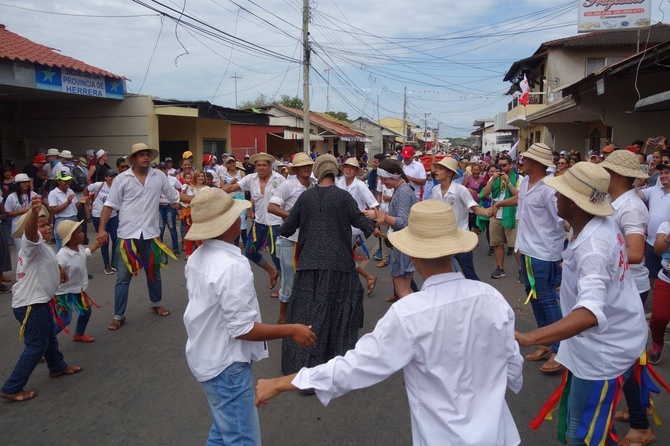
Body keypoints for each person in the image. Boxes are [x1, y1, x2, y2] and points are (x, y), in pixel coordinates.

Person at [255, 199, 524, 445]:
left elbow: (357, 366)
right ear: (454, 251)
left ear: (411, 256)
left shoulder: (411, 312)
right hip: (499, 433)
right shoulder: (490, 296)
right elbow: (512, 366)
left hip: (444, 436)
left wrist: (282, 382)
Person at [515, 162, 648, 446]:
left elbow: (589, 314)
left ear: (575, 204)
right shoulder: (596, 225)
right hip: (613, 337)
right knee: (584, 429)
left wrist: (530, 337)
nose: (555, 198)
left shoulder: (593, 246)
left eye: (560, 194)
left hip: (603, 349)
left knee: (583, 437)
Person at [183, 187, 315, 445]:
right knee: (243, 439)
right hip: (225, 364)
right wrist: (292, 329)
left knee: (223, 431)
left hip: (206, 355)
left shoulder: (198, 256)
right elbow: (242, 329)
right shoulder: (231, 265)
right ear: (228, 223)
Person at [279, 154, 375, 381]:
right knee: (338, 316)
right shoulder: (343, 197)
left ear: (318, 172)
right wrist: (376, 220)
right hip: (340, 266)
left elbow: (287, 227)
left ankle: (302, 368)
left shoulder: (305, 198)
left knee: (307, 315)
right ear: (334, 172)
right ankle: (334, 368)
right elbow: (364, 225)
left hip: (309, 266)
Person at [96, 143, 190, 331]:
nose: (146, 158)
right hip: (127, 236)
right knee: (123, 278)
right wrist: (101, 229)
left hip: (150, 234)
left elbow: (175, 197)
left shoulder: (159, 177)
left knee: (154, 273)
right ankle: (118, 315)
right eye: (141, 155)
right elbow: (109, 205)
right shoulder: (121, 179)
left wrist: (203, 198)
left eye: (148, 154)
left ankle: (156, 303)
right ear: (134, 159)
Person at [0, 197, 83, 402]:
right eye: (43, 225)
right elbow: (30, 233)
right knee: (36, 347)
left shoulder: (43, 247)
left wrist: (59, 268)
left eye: (48, 223)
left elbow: (49, 261)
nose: (48, 227)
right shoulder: (30, 245)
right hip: (31, 304)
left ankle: (57, 367)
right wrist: (33, 213)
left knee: (48, 338)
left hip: (39, 302)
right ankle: (12, 386)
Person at [512, 144, 565, 373]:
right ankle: (545, 341)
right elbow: (521, 203)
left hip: (543, 253)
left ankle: (559, 349)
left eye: (525, 159)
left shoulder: (549, 188)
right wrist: (499, 204)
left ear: (535, 163)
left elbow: (561, 219)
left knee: (546, 298)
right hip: (527, 250)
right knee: (533, 296)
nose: (521, 161)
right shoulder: (525, 183)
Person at [222, 153, 285, 297]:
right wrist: (215, 193)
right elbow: (232, 188)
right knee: (249, 251)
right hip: (259, 223)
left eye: (264, 165)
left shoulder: (279, 179)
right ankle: (271, 271)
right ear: (255, 167)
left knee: (277, 256)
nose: (261, 168)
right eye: (258, 165)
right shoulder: (250, 179)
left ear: (270, 166)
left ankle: (284, 287)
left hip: (276, 224)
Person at [267, 152, 314, 325]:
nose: (307, 169)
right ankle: (283, 316)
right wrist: (293, 216)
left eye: (309, 166)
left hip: (308, 240)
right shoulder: (287, 186)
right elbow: (271, 207)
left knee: (307, 279)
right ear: (296, 169)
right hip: (289, 240)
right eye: (303, 166)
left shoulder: (313, 186)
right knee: (289, 280)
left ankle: (303, 315)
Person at [363, 159, 417, 302]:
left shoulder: (403, 192)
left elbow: (403, 222)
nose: (382, 182)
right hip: (401, 244)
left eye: (384, 178)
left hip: (404, 246)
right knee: (404, 289)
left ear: (394, 175)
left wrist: (382, 216)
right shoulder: (401, 189)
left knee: (403, 291)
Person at [431, 157, 489, 281]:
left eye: (440, 169)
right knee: (445, 274)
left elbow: (475, 209)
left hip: (461, 239)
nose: (436, 171)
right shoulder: (435, 190)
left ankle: (478, 295)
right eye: (437, 168)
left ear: (449, 173)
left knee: (469, 273)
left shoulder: (460, 190)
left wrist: (489, 212)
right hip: (443, 239)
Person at [52, 220, 101, 342]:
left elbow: (86, 253)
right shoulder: (62, 255)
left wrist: (97, 244)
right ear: (71, 237)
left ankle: (79, 334)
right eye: (79, 232)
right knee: (64, 319)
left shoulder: (79, 248)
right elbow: (54, 265)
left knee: (86, 311)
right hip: (63, 293)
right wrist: (60, 268)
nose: (83, 233)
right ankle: (43, 343)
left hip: (77, 289)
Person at [336, 157, 379, 295]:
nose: (348, 169)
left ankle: (365, 277)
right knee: (342, 255)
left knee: (341, 255)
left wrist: (375, 225)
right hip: (338, 225)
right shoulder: (339, 183)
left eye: (352, 168)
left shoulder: (360, 186)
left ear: (356, 171)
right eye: (346, 167)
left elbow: (374, 205)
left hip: (353, 227)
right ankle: (367, 277)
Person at [481, 155, 521, 279]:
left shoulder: (520, 178)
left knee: (515, 245)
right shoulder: (494, 178)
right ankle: (500, 268)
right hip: (496, 214)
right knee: (497, 243)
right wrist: (493, 179)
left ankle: (521, 271)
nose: (502, 168)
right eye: (499, 165)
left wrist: (508, 182)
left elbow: (519, 196)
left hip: (513, 215)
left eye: (504, 165)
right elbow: (485, 193)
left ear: (511, 165)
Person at [85, 169, 119, 274]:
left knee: (116, 239)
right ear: (105, 177)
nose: (112, 179)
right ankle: (106, 265)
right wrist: (87, 201)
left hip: (113, 216)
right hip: (98, 215)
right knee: (104, 239)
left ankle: (114, 262)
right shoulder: (100, 185)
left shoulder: (118, 187)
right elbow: (86, 189)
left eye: (114, 177)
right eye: (110, 176)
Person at [5, 174, 39, 254]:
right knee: (21, 250)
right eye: (23, 182)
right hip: (17, 225)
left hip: (32, 224)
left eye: (27, 182)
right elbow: (8, 213)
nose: (26, 184)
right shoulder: (11, 197)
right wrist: (21, 211)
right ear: (17, 184)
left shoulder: (33, 194)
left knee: (33, 249)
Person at [47, 171, 80, 251]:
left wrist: (82, 202)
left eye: (69, 180)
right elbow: (53, 210)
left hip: (74, 218)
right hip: (62, 220)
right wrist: (68, 202)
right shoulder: (53, 193)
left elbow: (75, 207)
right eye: (65, 181)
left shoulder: (70, 191)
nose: (68, 183)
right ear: (58, 181)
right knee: (62, 247)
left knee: (74, 245)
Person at [157, 163, 182, 257]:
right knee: (161, 227)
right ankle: (160, 248)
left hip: (169, 205)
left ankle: (175, 248)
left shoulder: (172, 179)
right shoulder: (156, 179)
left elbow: (181, 188)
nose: (163, 170)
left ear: (167, 169)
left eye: (164, 168)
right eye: (161, 169)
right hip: (159, 205)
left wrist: (177, 201)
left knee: (171, 226)